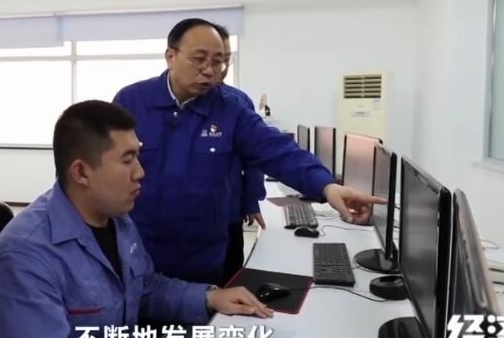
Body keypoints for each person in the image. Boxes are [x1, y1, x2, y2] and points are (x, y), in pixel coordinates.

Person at [0, 101, 272, 338]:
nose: (140, 172)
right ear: (81, 172)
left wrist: (210, 298)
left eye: (138, 157)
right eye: (127, 160)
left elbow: (144, 287)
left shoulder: (117, 219)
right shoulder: (25, 258)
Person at [112, 18, 384, 284]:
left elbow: (276, 149)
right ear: (171, 56)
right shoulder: (131, 101)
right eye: (199, 59)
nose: (210, 71)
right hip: (139, 251)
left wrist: (326, 186)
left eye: (218, 61)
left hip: (201, 258)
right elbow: (105, 166)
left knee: (205, 314)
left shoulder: (230, 109)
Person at [210, 24, 267, 285]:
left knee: (230, 283)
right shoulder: (140, 100)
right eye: (213, 59)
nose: (220, 67)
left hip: (228, 216)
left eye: (225, 59)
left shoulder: (237, 101)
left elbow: (254, 156)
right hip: (169, 227)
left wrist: (251, 201)